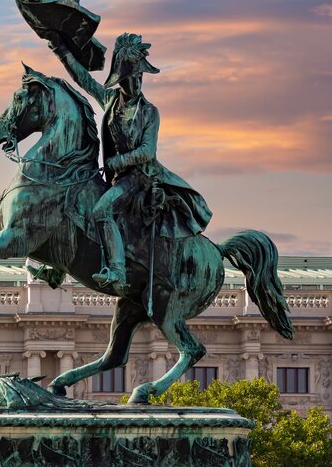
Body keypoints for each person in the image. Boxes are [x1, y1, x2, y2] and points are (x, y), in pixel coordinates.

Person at [47, 31, 212, 292]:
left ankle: (117, 271)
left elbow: (148, 150)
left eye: (139, 76)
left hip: (140, 179)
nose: (137, 81)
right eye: (132, 76)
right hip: (114, 178)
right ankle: (56, 266)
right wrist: (60, 49)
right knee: (72, 200)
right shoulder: (111, 100)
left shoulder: (149, 112)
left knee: (101, 210)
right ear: (121, 78)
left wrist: (119, 162)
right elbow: (84, 80)